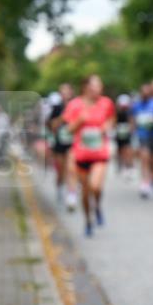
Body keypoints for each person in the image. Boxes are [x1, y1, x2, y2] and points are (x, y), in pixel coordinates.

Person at [62, 74, 116, 237]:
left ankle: (98, 205)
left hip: (100, 152)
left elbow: (112, 119)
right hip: (82, 154)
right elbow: (68, 130)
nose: (98, 89)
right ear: (85, 87)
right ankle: (88, 220)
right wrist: (79, 121)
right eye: (94, 86)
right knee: (85, 192)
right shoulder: (74, 105)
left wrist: (106, 126)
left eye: (100, 86)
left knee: (95, 186)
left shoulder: (106, 103)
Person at [48, 83, 78, 210]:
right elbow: (52, 126)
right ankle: (60, 186)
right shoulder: (56, 108)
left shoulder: (77, 107)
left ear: (71, 92)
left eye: (67, 91)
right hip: (59, 143)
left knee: (71, 169)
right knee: (61, 170)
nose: (65, 93)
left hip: (73, 143)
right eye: (62, 91)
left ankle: (71, 194)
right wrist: (62, 117)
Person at [114, 94, 135, 177]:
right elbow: (114, 122)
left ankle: (128, 166)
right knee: (119, 150)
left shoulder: (129, 113)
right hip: (119, 134)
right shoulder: (117, 113)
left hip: (127, 134)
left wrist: (130, 129)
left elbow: (132, 122)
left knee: (128, 150)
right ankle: (120, 164)